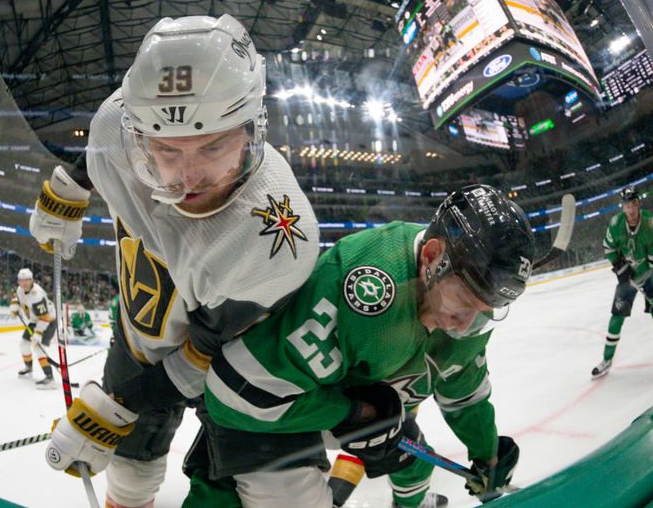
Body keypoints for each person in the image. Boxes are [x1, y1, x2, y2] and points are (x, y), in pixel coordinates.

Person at [29, 14, 319, 507]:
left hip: (237, 358)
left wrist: (121, 404)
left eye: (213, 146)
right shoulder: (118, 122)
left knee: (279, 488)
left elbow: (202, 353)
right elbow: (103, 146)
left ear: (252, 129)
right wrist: (70, 188)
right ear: (139, 137)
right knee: (127, 474)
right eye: (165, 149)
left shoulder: (274, 240)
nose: (189, 177)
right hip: (141, 332)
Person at [203, 184, 534, 507]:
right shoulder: (364, 293)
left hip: (324, 396)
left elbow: (464, 393)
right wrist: (353, 413)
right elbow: (233, 393)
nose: (464, 325)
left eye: (483, 312)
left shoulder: (464, 320)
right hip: (259, 413)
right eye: (463, 301)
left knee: (413, 457)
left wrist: (487, 456)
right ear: (432, 256)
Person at [592, 186, 653, 379]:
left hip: (649, 275)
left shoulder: (650, 222)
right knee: (616, 317)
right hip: (628, 279)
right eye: (627, 205)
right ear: (623, 207)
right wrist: (620, 267)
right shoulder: (615, 224)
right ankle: (607, 359)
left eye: (634, 204)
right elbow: (609, 248)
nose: (631, 209)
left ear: (638, 204)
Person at [10, 268, 58, 389]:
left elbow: (45, 317)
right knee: (24, 344)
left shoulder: (37, 294)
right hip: (35, 320)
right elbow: (18, 297)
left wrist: (38, 333)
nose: (24, 283)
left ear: (31, 280)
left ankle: (50, 378)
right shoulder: (20, 289)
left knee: (38, 348)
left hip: (48, 321)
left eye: (26, 280)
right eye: (21, 280)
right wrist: (15, 304)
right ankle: (29, 367)